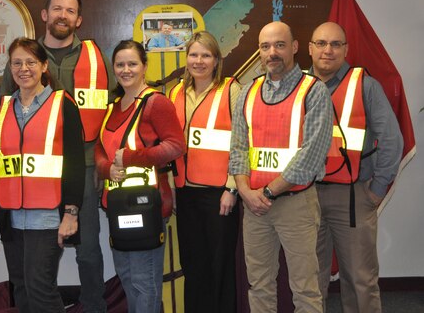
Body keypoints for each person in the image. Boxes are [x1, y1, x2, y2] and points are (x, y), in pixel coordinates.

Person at [0, 0, 113, 313]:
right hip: (34, 173)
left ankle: (93, 307)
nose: (63, 14)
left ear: (79, 19)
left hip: (85, 168)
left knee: (88, 249)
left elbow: (115, 108)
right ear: (45, 15)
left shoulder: (96, 59)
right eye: (57, 8)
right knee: (28, 253)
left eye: (70, 10)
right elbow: (4, 118)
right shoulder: (26, 59)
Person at [229, 21, 333, 313]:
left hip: (295, 204)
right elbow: (237, 149)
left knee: (305, 289)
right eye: (265, 47)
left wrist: (267, 193)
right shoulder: (248, 92)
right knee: (259, 285)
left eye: (279, 45)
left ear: (295, 47)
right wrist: (245, 191)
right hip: (254, 207)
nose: (272, 52)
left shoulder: (314, 91)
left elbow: (311, 156)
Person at [0, 37, 86, 313]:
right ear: (10, 68)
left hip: (48, 218)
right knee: (21, 288)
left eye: (30, 62)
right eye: (17, 62)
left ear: (43, 66)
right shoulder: (3, 109)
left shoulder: (63, 105)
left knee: (40, 288)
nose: (23, 68)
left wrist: (71, 214)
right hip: (11, 219)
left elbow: (75, 164)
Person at [308, 22, 403, 313]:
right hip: (305, 197)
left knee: (360, 279)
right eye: (321, 43)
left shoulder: (365, 85)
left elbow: (391, 139)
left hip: (352, 197)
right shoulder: (297, 86)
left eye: (336, 44)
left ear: (346, 49)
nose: (328, 50)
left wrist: (376, 189)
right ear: (310, 48)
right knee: (309, 280)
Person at [95, 40, 186, 313]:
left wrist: (134, 157)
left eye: (132, 64)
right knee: (127, 278)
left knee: (145, 282)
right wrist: (106, 168)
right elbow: (100, 149)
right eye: (120, 64)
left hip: (148, 205)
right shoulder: (112, 106)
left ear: (144, 67)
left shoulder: (156, 103)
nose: (126, 70)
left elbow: (176, 146)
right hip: (117, 205)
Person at [169, 31, 240, 313]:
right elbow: (170, 146)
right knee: (193, 265)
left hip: (219, 196)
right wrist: (172, 189)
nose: (199, 61)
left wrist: (232, 188)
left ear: (216, 60)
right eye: (194, 55)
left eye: (206, 55)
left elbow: (241, 142)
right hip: (186, 195)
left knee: (219, 266)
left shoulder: (231, 90)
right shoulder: (175, 93)